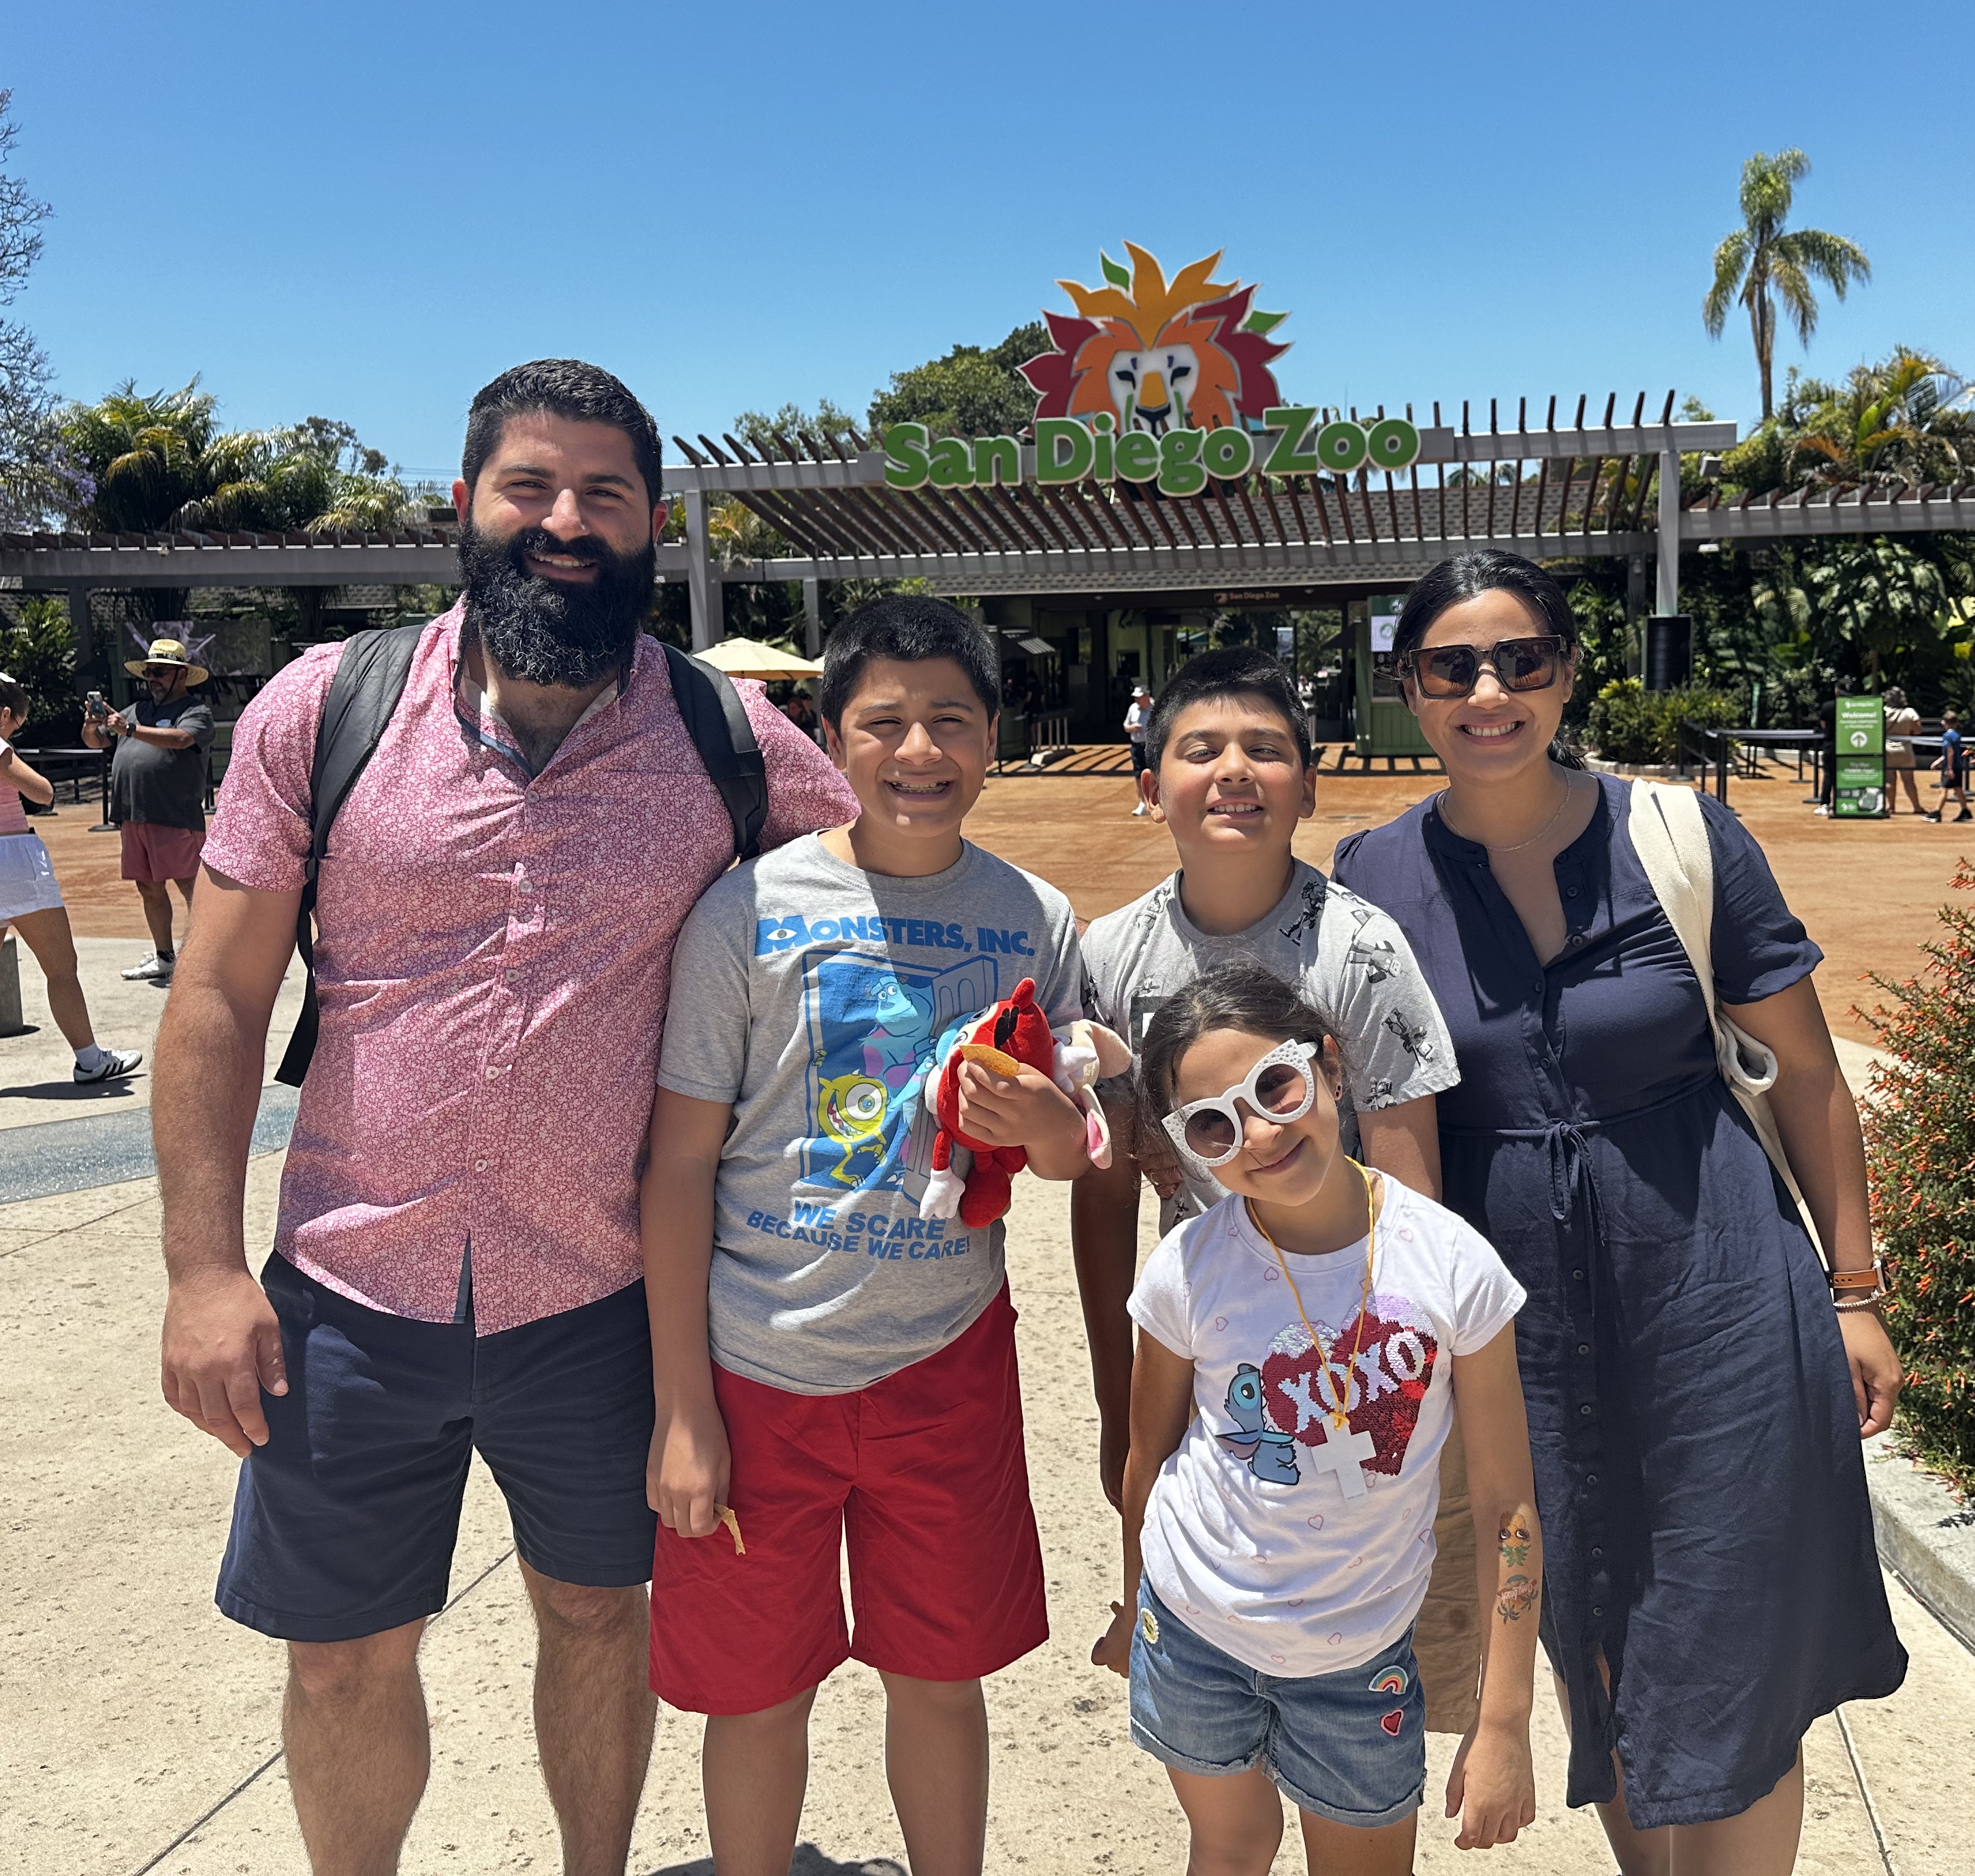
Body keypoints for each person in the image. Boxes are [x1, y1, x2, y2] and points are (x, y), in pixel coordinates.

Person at [151, 359, 856, 1876]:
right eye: (530, 486)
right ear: (465, 504)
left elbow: (886, 895)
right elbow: (215, 994)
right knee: (340, 1656)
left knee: (598, 1613)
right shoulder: (325, 710)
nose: (566, 522)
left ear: (652, 523)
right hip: (351, 1285)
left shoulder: (729, 738)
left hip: (603, 1294)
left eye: (605, 493)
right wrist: (202, 1270)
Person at [1331, 549, 1906, 1873]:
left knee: (1740, 1624)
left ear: (1568, 671)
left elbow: (1806, 1074)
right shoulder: (1372, 876)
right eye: (1452, 667)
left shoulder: (1683, 837)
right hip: (1516, 1316)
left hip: (1717, 1281)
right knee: (1586, 1616)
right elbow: (1390, 1129)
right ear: (1410, 689)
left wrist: (1855, 1292)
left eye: (1521, 658)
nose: (1490, 691)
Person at [644, 593, 1090, 1876]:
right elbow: (679, 1163)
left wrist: (1050, 1120)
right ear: (831, 737)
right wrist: (683, 1408)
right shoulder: (747, 910)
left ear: (993, 736)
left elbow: (1071, 1150)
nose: (919, 750)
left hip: (945, 1359)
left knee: (940, 1677)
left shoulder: (1034, 916)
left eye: (951, 718)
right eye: (884, 721)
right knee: (755, 1691)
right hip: (756, 1366)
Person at [1070, 645, 1473, 1721]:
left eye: (1266, 749)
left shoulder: (1361, 949)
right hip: (1203, 1346)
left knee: (1351, 1663)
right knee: (1209, 1660)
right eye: (1200, 749)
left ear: (1310, 785)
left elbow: (1411, 1189)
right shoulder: (1110, 960)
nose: (1234, 771)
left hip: (1348, 1368)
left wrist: (1394, 1401)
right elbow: (1105, 1192)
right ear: (1149, 785)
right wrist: (1118, 1398)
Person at [1091, 961, 1541, 1872]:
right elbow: (1150, 1458)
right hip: (1194, 1634)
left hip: (1360, 1661)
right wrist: (1136, 1599)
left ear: (1330, 1064)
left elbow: (1508, 1506)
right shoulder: (1188, 1269)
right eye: (1213, 1125)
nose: (1259, 1133)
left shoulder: (1452, 1266)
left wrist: (1505, 1719)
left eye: (1276, 1086)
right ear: (1187, 1148)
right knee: (1229, 1848)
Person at [0, 669, 142, 1103]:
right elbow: (43, 793)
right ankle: (90, 1059)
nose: (13, 731)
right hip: (12, 861)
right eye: (15, 723)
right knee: (61, 967)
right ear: (3, 713)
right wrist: (7, 754)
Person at [84, 632, 216, 983]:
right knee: (148, 887)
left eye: (160, 672)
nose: (152, 679)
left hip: (174, 815)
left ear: (181, 675)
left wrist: (130, 729)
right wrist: (92, 726)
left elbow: (183, 739)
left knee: (193, 887)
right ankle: (165, 957)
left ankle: (211, 957)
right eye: (149, 672)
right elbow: (97, 743)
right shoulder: (134, 711)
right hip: (133, 815)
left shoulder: (195, 711)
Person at [1880, 686, 1935, 819]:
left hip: (1887, 748)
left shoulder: (1883, 711)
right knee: (1909, 780)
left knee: (1889, 779)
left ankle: (1891, 807)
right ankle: (1916, 806)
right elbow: (1918, 730)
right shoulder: (1910, 712)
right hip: (1904, 749)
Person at [1936, 716, 1975, 823]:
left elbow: (1950, 752)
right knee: (1958, 788)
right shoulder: (1956, 735)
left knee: (1944, 788)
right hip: (1958, 766)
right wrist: (1938, 761)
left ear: (1944, 722)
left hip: (1951, 766)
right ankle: (1965, 812)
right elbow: (1951, 752)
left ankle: (1936, 813)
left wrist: (1949, 769)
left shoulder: (1947, 736)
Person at [1125, 681, 1154, 815]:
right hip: (1137, 746)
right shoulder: (1133, 708)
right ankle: (1142, 803)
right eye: (1135, 697)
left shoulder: (1155, 708)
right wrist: (1132, 728)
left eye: (1139, 697)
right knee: (1139, 775)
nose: (1136, 700)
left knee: (1155, 774)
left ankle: (1157, 802)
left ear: (1146, 696)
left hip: (1152, 746)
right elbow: (1126, 726)